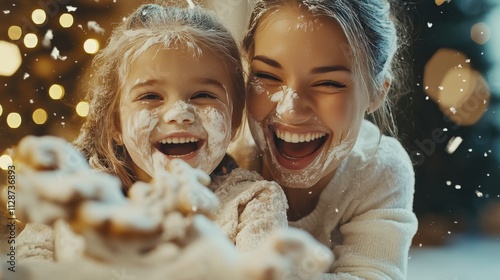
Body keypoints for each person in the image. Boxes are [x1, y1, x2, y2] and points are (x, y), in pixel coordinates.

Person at [14, 2, 294, 263]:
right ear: (115, 124)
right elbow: (25, 267)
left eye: (202, 95)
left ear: (234, 120)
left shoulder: (253, 201)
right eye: (150, 96)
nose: (179, 113)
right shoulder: (73, 195)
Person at [231, 0, 419, 279]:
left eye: (328, 83)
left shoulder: (378, 170)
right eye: (267, 76)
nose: (290, 110)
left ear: (377, 92)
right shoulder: (223, 154)